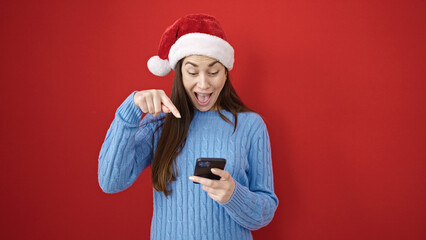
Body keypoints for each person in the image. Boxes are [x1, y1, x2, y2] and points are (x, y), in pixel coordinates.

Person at [98, 13, 278, 240]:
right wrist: (130, 110)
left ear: (225, 72)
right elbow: (110, 182)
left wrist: (234, 195)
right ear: (179, 74)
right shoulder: (159, 123)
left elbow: (266, 211)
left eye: (213, 72)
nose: (203, 84)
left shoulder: (251, 126)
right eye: (192, 72)